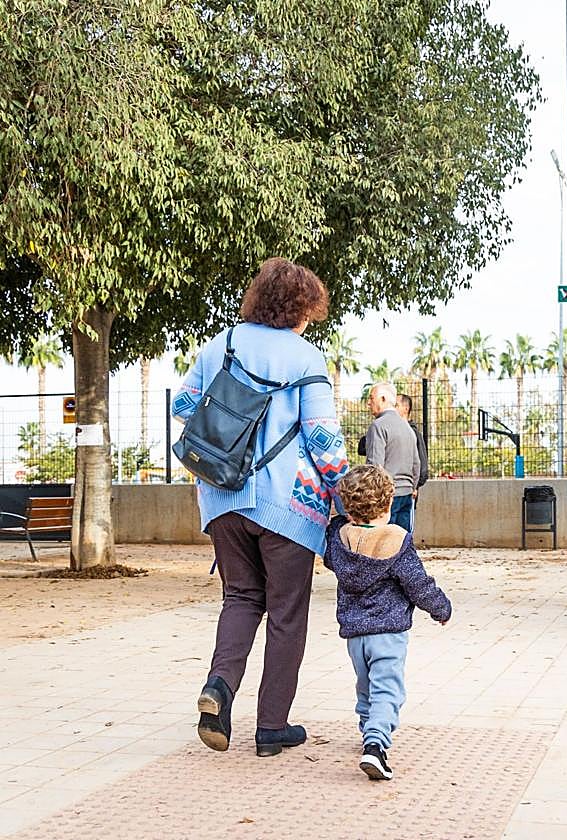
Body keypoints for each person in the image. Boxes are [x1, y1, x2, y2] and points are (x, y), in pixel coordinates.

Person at [173, 257, 349, 756]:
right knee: (287, 613)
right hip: (288, 504)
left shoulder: (220, 345)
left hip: (222, 497)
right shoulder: (306, 358)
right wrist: (346, 493)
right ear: (301, 308)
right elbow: (321, 436)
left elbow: (184, 408)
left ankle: (220, 688)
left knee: (240, 598)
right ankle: (271, 727)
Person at [322, 464, 451, 780]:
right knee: (388, 691)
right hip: (388, 632)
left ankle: (368, 729)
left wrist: (342, 514)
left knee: (366, 687)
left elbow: (329, 550)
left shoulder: (339, 540)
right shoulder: (397, 541)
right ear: (389, 503)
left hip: (354, 635)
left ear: (348, 505)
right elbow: (418, 584)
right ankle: (376, 746)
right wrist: (440, 608)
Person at [364, 382, 422, 532]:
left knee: (384, 546)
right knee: (402, 543)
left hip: (387, 497)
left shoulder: (378, 426)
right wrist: (412, 487)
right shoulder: (407, 428)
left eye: (371, 398)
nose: (368, 403)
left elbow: (375, 466)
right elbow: (416, 464)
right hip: (407, 494)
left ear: (383, 399)